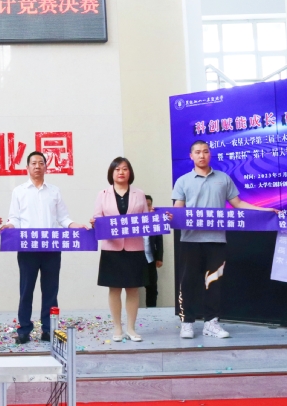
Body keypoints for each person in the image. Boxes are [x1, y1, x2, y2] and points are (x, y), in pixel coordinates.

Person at [172, 140, 278, 339]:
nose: (202, 155)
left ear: (210, 154)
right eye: (197, 152)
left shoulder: (223, 178)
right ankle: (187, 323)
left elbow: (238, 203)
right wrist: (167, 216)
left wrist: (264, 211)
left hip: (216, 240)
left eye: (205, 151)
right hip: (190, 240)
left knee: (214, 282)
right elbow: (178, 210)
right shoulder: (183, 181)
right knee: (188, 282)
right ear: (191, 156)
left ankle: (211, 323)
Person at [0, 151, 89, 345]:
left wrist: (75, 225)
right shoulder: (19, 191)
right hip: (27, 248)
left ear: (46, 167)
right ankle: (24, 329)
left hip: (51, 248)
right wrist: (9, 226)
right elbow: (14, 218)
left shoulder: (54, 191)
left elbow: (63, 218)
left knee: (50, 291)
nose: (37, 166)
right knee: (26, 290)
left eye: (41, 163)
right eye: (33, 163)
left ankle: (49, 329)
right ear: (27, 167)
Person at [91, 157, 149, 342]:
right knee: (114, 289)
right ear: (112, 173)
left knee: (133, 289)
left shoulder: (139, 194)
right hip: (112, 248)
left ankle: (131, 328)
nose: (121, 172)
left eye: (125, 169)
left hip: (134, 247)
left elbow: (146, 219)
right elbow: (97, 217)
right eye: (117, 169)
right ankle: (117, 327)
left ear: (130, 172)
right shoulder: (103, 194)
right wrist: (95, 222)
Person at [143, 195, 163, 308]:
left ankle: (151, 310)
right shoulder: (131, 220)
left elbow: (159, 241)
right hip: (135, 258)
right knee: (132, 287)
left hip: (150, 258)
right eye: (144, 205)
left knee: (152, 287)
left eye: (149, 205)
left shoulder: (155, 221)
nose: (147, 207)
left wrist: (159, 258)